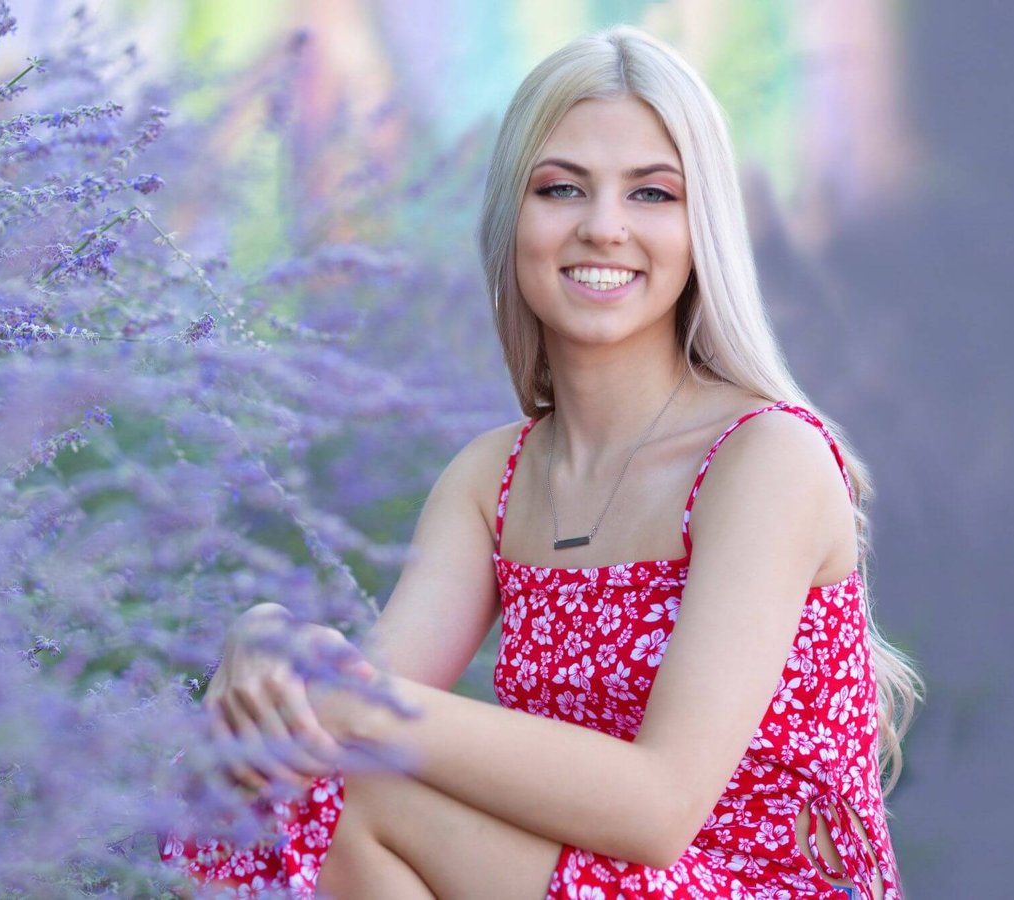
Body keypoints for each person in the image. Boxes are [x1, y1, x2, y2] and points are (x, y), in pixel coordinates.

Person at [163, 25, 919, 900]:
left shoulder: (765, 457)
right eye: (562, 188)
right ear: (511, 218)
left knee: (353, 792)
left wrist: (349, 702)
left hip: (749, 884)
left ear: (700, 224)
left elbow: (656, 807)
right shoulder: (493, 479)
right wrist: (268, 645)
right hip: (579, 880)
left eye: (652, 195)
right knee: (274, 783)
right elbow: (351, 714)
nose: (604, 228)